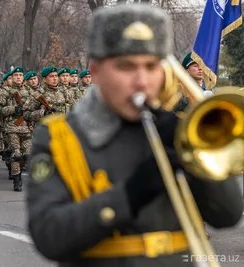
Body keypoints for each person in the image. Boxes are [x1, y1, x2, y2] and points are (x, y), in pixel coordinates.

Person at [26, 4, 243, 267]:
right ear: (95, 71)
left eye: (152, 66)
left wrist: (190, 153)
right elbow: (49, 236)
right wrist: (131, 193)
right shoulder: (60, 135)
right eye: (126, 67)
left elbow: (228, 214)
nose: (141, 81)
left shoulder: (177, 129)